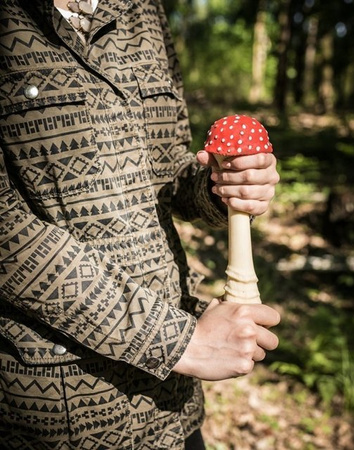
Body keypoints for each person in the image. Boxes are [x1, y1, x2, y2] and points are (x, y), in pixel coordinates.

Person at [0, 0, 281, 448]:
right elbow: (9, 235)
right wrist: (177, 341)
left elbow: (167, 172)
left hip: (172, 406)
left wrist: (220, 188)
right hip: (60, 413)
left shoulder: (142, 11)